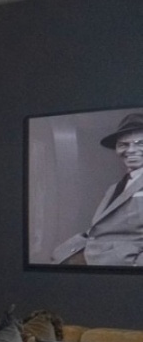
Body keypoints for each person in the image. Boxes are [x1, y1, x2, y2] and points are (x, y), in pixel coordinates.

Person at [53, 112, 143, 266]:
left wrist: (134, 268)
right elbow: (99, 230)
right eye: (123, 145)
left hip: (119, 268)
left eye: (140, 143)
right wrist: (64, 254)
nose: (130, 150)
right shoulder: (115, 188)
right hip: (88, 259)